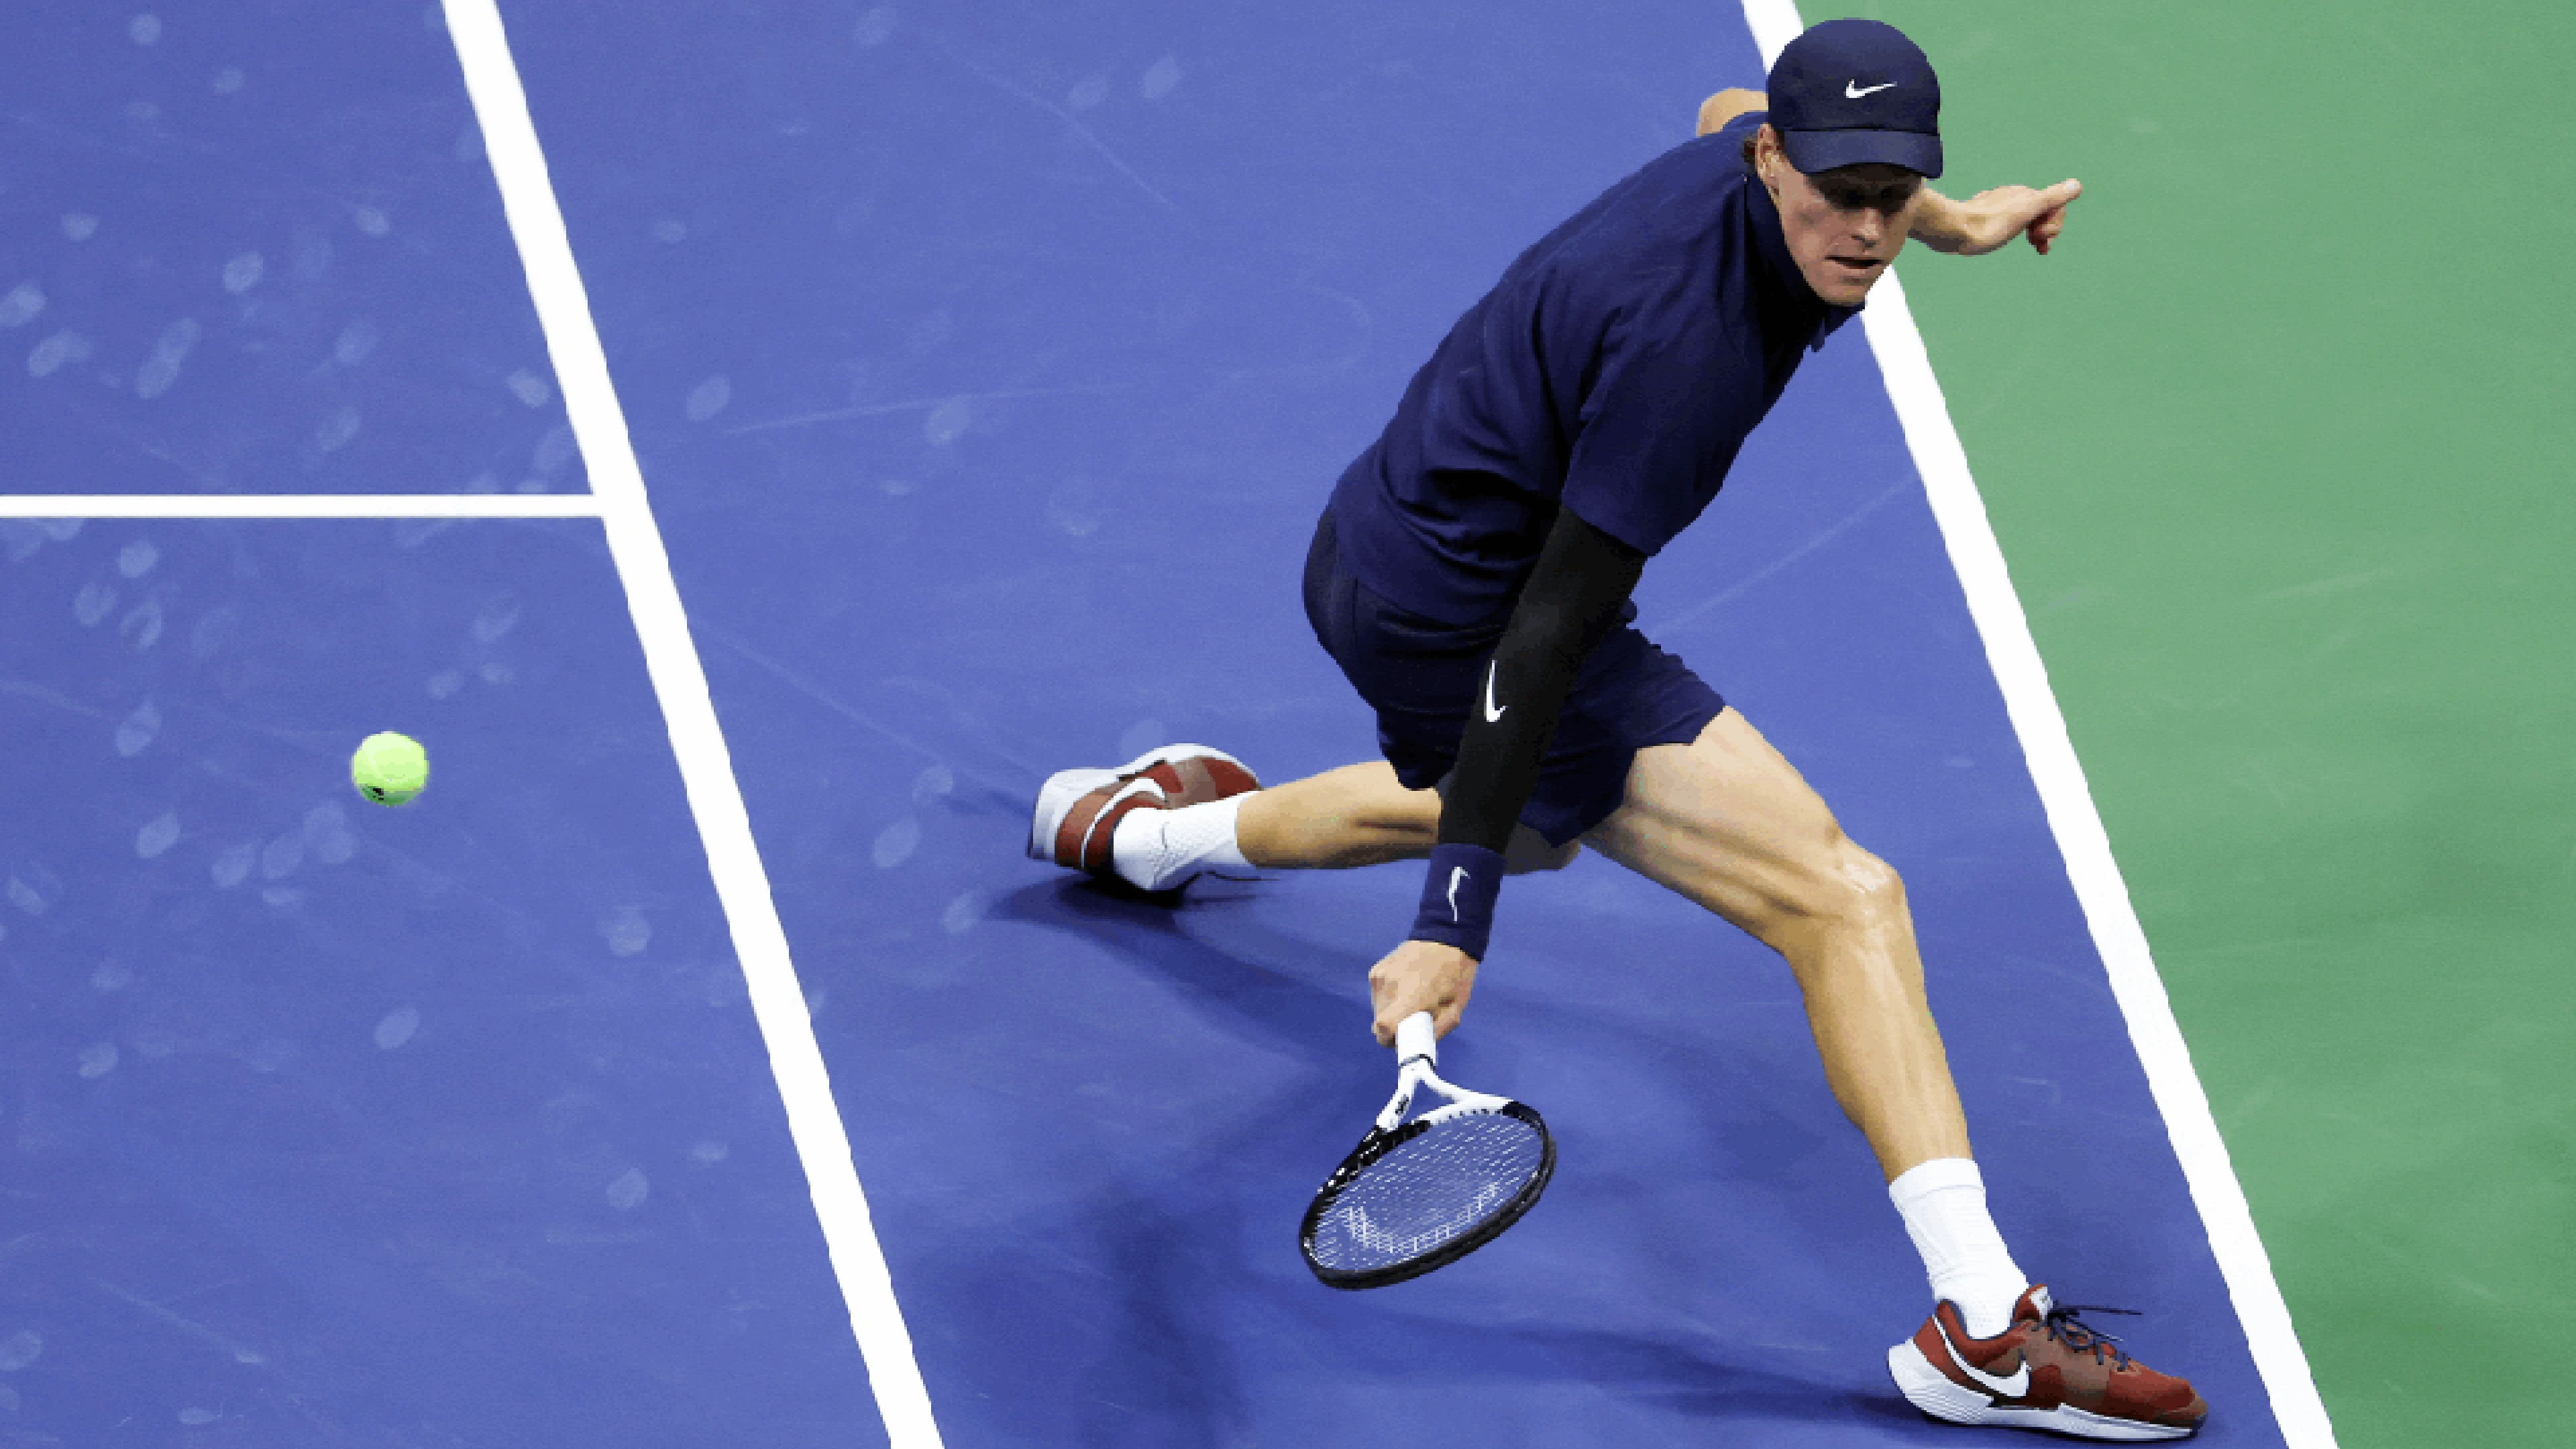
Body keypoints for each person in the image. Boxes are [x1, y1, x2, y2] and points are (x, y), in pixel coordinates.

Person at [1028, 18, 2206, 1440]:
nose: (1865, 229)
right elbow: (1548, 636)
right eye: (1840, 193)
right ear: (1776, 165)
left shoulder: (1757, 156)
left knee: (1535, 825)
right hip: (1471, 609)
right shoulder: (1687, 354)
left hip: (1379, 544)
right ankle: (1983, 1327)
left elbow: (1723, 95)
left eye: (1894, 193)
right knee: (1839, 899)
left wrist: (1956, 228)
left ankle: (1148, 831)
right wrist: (1446, 928)